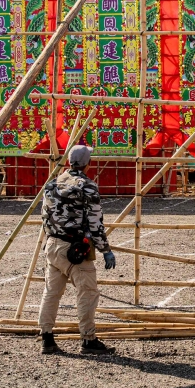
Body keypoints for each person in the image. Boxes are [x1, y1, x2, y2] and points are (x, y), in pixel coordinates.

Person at [38, 145, 117, 356]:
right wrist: (105, 249)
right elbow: (95, 223)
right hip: (74, 248)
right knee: (87, 293)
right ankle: (88, 340)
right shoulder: (87, 186)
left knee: (51, 293)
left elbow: (45, 216)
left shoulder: (52, 184)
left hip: (53, 245)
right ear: (87, 164)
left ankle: (46, 337)